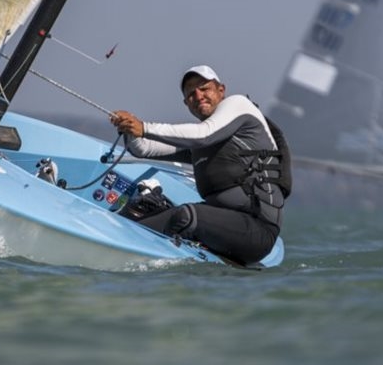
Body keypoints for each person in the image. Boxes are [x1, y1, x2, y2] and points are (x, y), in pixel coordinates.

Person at [109, 65, 290, 266]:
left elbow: (203, 135)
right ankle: (119, 233)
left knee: (185, 216)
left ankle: (120, 245)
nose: (198, 96)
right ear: (186, 103)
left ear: (221, 90)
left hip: (257, 230)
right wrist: (129, 129)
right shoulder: (200, 140)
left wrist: (143, 127)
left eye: (204, 88)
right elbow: (144, 149)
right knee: (155, 213)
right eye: (191, 94)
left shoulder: (239, 105)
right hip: (221, 225)